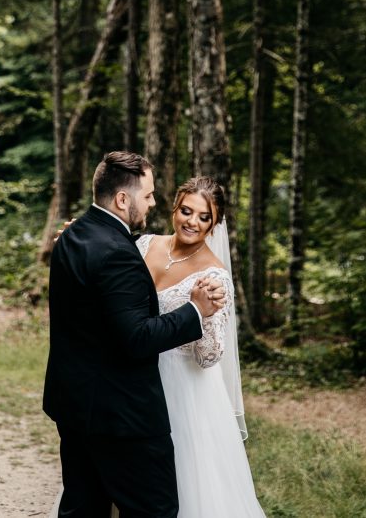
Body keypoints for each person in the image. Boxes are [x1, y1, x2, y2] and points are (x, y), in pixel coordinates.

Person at [43, 151, 226, 518]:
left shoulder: (73, 234)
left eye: (204, 216)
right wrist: (194, 310)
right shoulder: (119, 252)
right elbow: (137, 338)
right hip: (122, 415)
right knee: (153, 510)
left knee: (83, 508)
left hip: (74, 403)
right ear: (123, 199)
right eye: (149, 194)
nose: (154, 202)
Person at [136, 176, 266, 518]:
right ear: (174, 208)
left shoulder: (214, 277)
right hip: (135, 374)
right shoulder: (145, 245)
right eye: (186, 211)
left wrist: (202, 314)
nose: (192, 222)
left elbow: (209, 357)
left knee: (183, 481)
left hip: (184, 390)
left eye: (204, 216)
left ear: (214, 223)